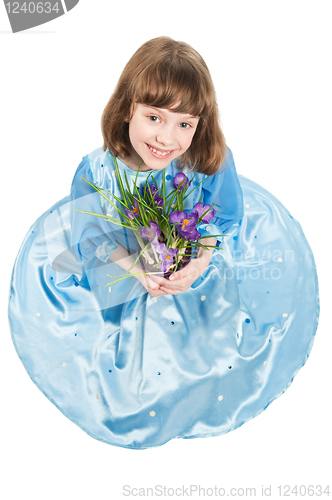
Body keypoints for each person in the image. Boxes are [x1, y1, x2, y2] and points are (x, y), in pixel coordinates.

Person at [8, 37, 319, 450]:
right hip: (118, 261)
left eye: (184, 124)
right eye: (154, 117)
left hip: (190, 256)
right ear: (127, 109)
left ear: (200, 125)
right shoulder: (97, 171)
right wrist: (137, 269)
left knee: (208, 341)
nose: (166, 138)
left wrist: (201, 262)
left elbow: (221, 216)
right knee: (123, 347)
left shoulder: (210, 160)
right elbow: (92, 237)